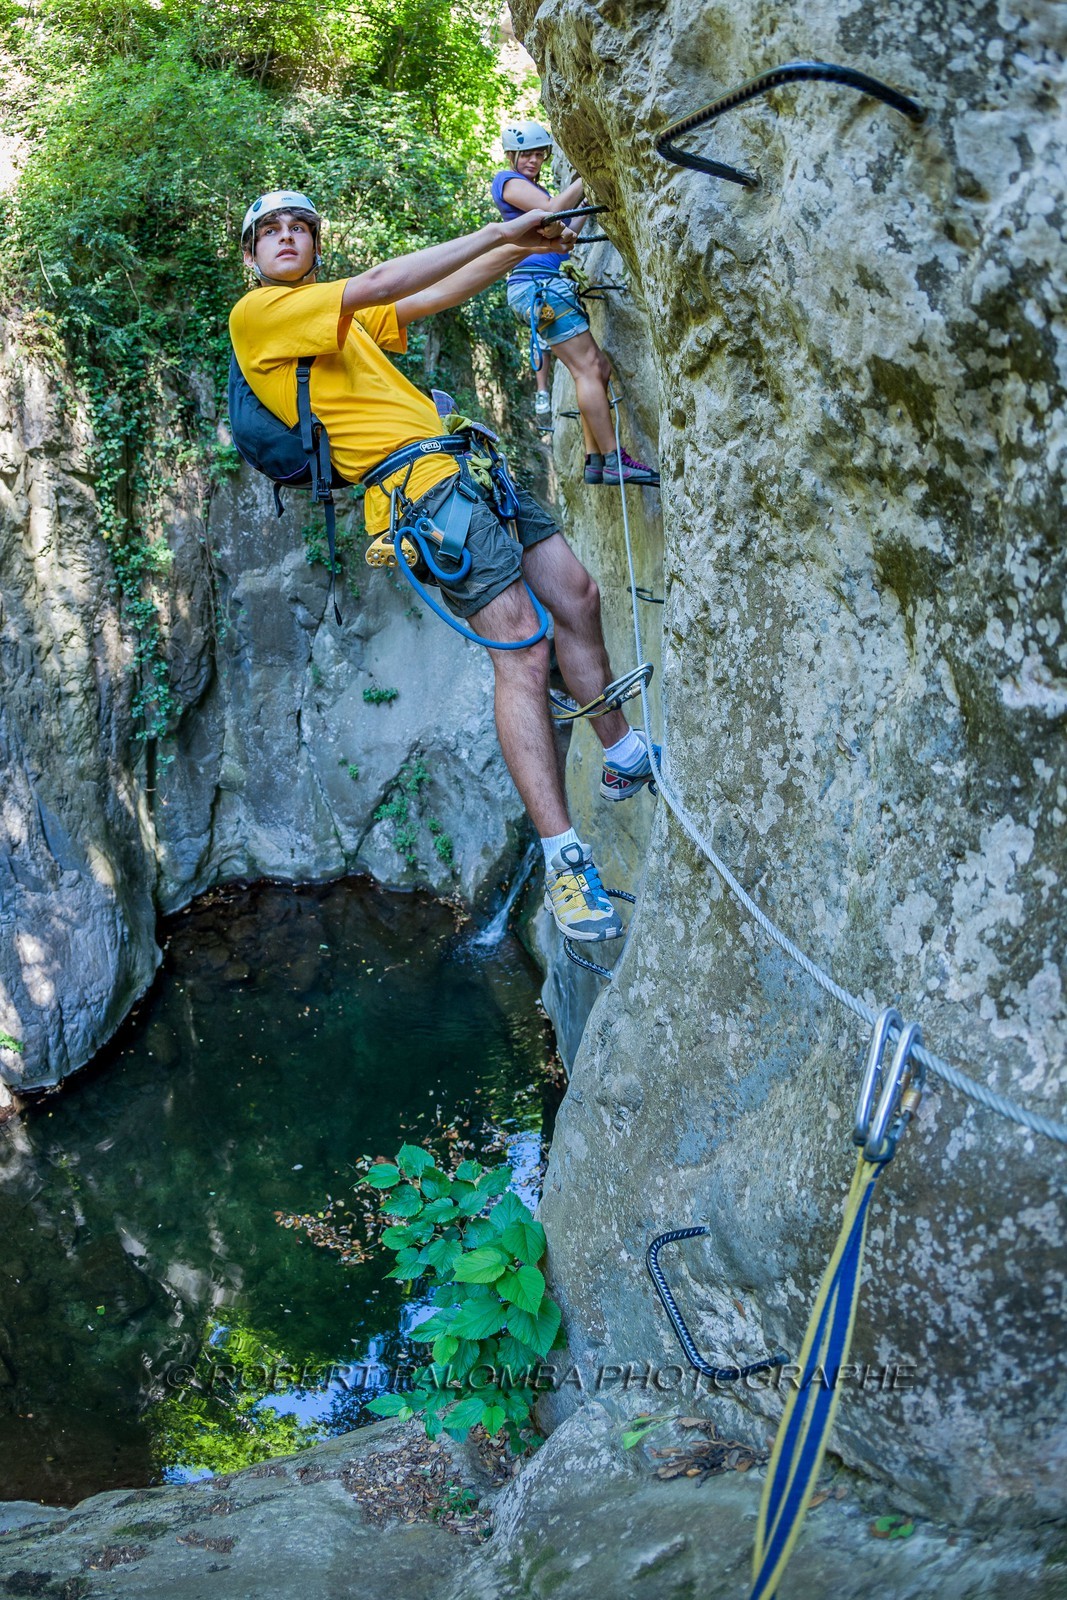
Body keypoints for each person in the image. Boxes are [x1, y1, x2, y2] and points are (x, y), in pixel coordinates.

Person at [230, 190, 659, 943]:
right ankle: (566, 863)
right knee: (523, 651)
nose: (286, 238)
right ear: (251, 256)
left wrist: (528, 242)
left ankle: (620, 753)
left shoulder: (335, 320)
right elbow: (385, 281)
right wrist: (504, 228)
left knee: (579, 596)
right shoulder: (259, 316)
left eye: (298, 227)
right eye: (270, 232)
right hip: (418, 494)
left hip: (466, 466)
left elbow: (428, 295)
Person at [490, 120, 659, 487]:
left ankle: (595, 460)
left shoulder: (531, 192)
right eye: (526, 154)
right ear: (512, 156)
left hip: (542, 285)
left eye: (539, 153)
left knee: (597, 368)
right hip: (538, 286)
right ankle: (614, 460)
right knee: (586, 368)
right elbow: (552, 210)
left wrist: (586, 199)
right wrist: (588, 173)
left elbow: (566, 232)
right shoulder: (508, 182)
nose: (533, 160)